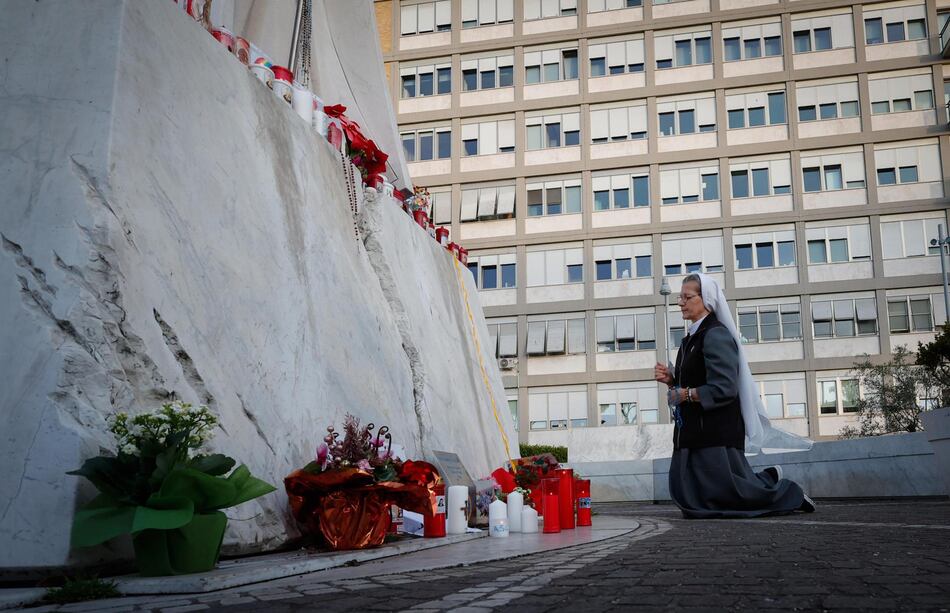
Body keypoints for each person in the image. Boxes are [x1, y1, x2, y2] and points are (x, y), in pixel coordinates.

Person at [654, 273, 815, 519]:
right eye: (680, 297)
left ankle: (787, 493)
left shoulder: (715, 334)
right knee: (698, 499)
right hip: (696, 433)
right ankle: (768, 477)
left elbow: (724, 387)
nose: (680, 303)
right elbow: (696, 381)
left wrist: (683, 394)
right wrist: (673, 380)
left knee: (729, 499)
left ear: (706, 300)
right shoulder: (690, 339)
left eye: (687, 297)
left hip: (715, 433)